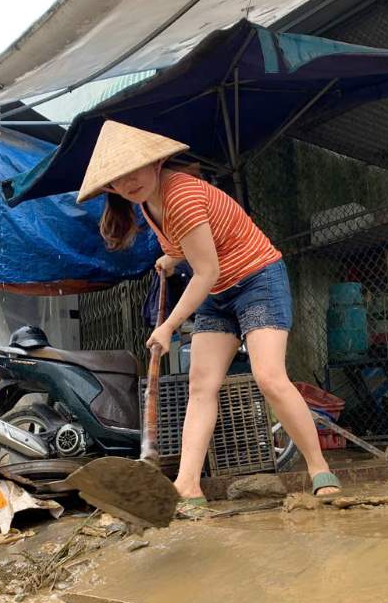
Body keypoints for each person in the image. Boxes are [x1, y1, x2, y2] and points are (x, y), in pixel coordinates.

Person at [78, 121, 341, 503]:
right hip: (218, 293)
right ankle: (187, 484)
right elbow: (202, 248)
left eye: (134, 169)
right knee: (200, 386)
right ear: (110, 188)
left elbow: (207, 270)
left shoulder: (180, 194)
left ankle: (319, 468)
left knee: (268, 376)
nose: (129, 182)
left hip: (257, 281)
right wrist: (171, 257)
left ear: (156, 162)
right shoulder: (147, 203)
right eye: (118, 179)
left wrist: (167, 326)